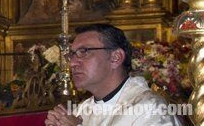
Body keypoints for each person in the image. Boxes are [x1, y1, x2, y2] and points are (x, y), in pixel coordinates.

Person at [45, 23, 182, 125]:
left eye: (84, 51)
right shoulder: (83, 109)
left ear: (115, 57)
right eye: (72, 54)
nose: (72, 63)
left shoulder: (150, 109)